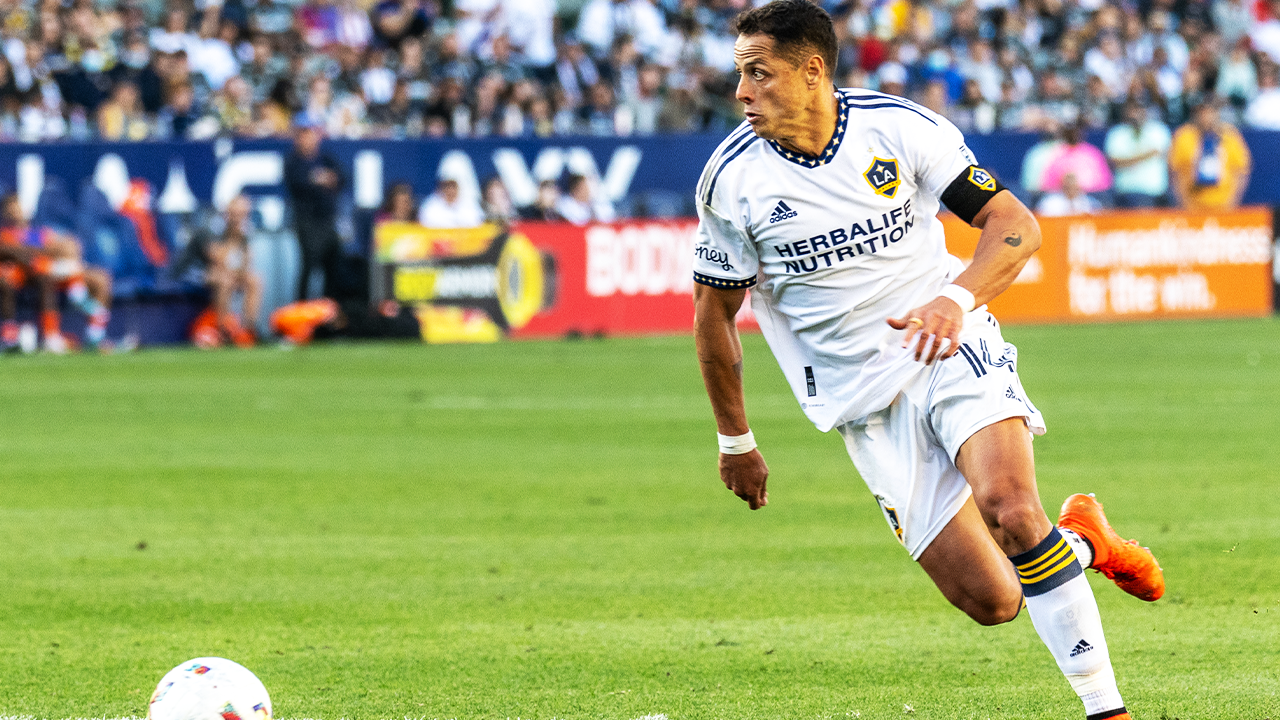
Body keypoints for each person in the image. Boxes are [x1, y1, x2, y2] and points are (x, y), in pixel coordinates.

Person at [691, 4, 1163, 720]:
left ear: (812, 70)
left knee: (1011, 508)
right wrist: (736, 441)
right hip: (862, 400)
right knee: (995, 599)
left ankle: (1107, 710)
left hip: (949, 345)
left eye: (760, 74)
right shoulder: (731, 181)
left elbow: (1014, 227)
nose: (742, 93)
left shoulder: (900, 129)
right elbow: (714, 315)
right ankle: (1086, 545)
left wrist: (954, 300)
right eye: (740, 75)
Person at [0, 193, 113, 353]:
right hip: (31, 275)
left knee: (100, 279)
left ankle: (94, 338)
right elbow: (13, 252)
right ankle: (51, 337)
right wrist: (38, 255)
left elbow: (60, 246)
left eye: (18, 207)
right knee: (43, 276)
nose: (15, 212)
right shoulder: (5, 234)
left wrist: (63, 249)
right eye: (10, 208)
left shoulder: (38, 232)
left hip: (53, 268)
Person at [284, 114, 346, 300]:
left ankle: (328, 310)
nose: (306, 138)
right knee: (309, 263)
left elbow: (342, 178)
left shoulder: (326, 158)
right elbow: (300, 183)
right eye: (302, 134)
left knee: (333, 263)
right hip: (306, 221)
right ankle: (301, 307)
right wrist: (320, 179)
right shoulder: (292, 162)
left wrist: (324, 178)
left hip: (327, 220)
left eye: (310, 133)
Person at [1168, 96, 1252, 212]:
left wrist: (1232, 202)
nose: (1205, 117)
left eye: (1209, 112)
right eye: (1201, 112)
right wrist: (1184, 203)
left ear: (1217, 113)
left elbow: (1242, 171)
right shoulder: (1184, 136)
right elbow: (1174, 173)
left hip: (1223, 205)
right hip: (1192, 207)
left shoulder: (1230, 135)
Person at [1104, 100, 1172, 208]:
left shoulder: (1159, 130)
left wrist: (1130, 159)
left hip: (1156, 190)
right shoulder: (1117, 133)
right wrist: (1147, 154)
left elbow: (1169, 160)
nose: (1136, 113)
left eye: (1140, 108)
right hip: (1128, 190)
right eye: (1133, 109)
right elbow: (1114, 162)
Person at [417, 177, 485, 228]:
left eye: (453, 186)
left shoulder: (470, 204)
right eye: (447, 186)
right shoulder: (429, 206)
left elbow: (477, 224)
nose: (450, 190)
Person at [1036, 172, 1103, 216]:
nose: (1071, 187)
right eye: (1068, 185)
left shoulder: (1090, 204)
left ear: (1078, 186)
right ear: (1062, 185)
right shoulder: (1049, 203)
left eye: (1073, 184)